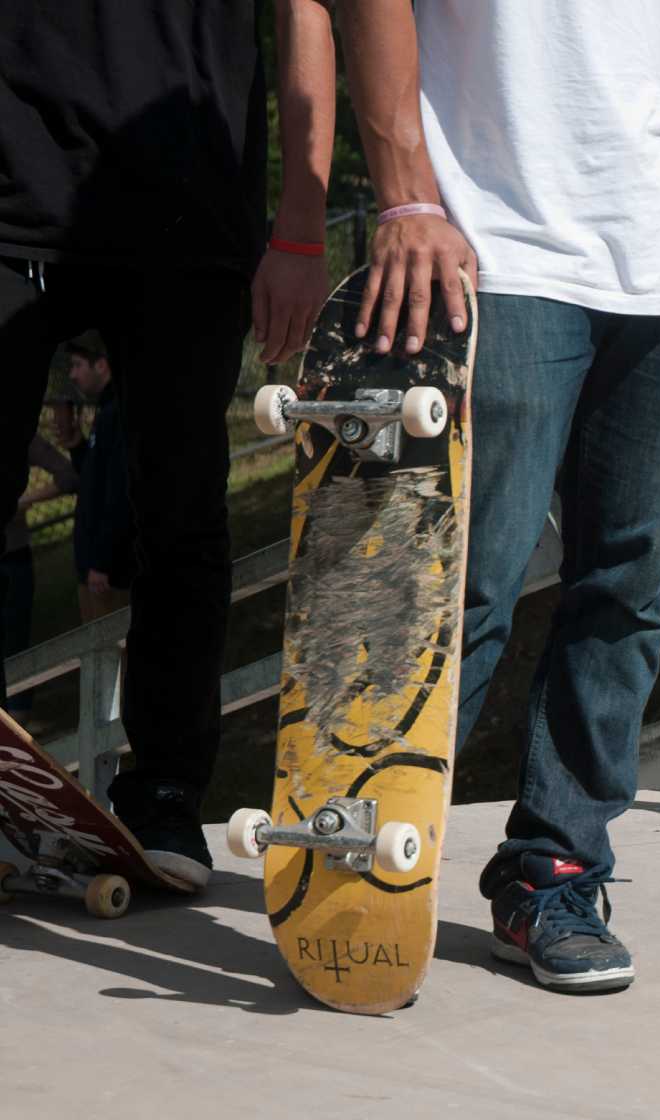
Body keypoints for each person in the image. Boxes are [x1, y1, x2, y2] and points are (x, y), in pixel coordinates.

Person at [336, 0, 660, 992]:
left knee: (626, 586)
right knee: (456, 578)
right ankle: (355, 841)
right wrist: (402, 197)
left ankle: (553, 869)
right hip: (492, 235)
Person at [0, 0, 337, 885]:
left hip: (189, 200)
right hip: (15, 175)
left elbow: (308, 10)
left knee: (181, 517)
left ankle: (164, 796)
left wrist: (303, 224)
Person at [56, 335, 136, 624]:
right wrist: (78, 446)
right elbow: (96, 481)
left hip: (109, 573)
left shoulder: (116, 413)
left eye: (77, 365)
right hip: (97, 568)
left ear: (101, 365)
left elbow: (118, 493)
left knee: (110, 653)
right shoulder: (105, 411)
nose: (72, 374)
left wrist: (101, 562)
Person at [3, 419, 80, 717]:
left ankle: (16, 732)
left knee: (16, 643)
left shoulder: (16, 429)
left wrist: (21, 502)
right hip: (13, 558)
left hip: (13, 557)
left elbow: (68, 475)